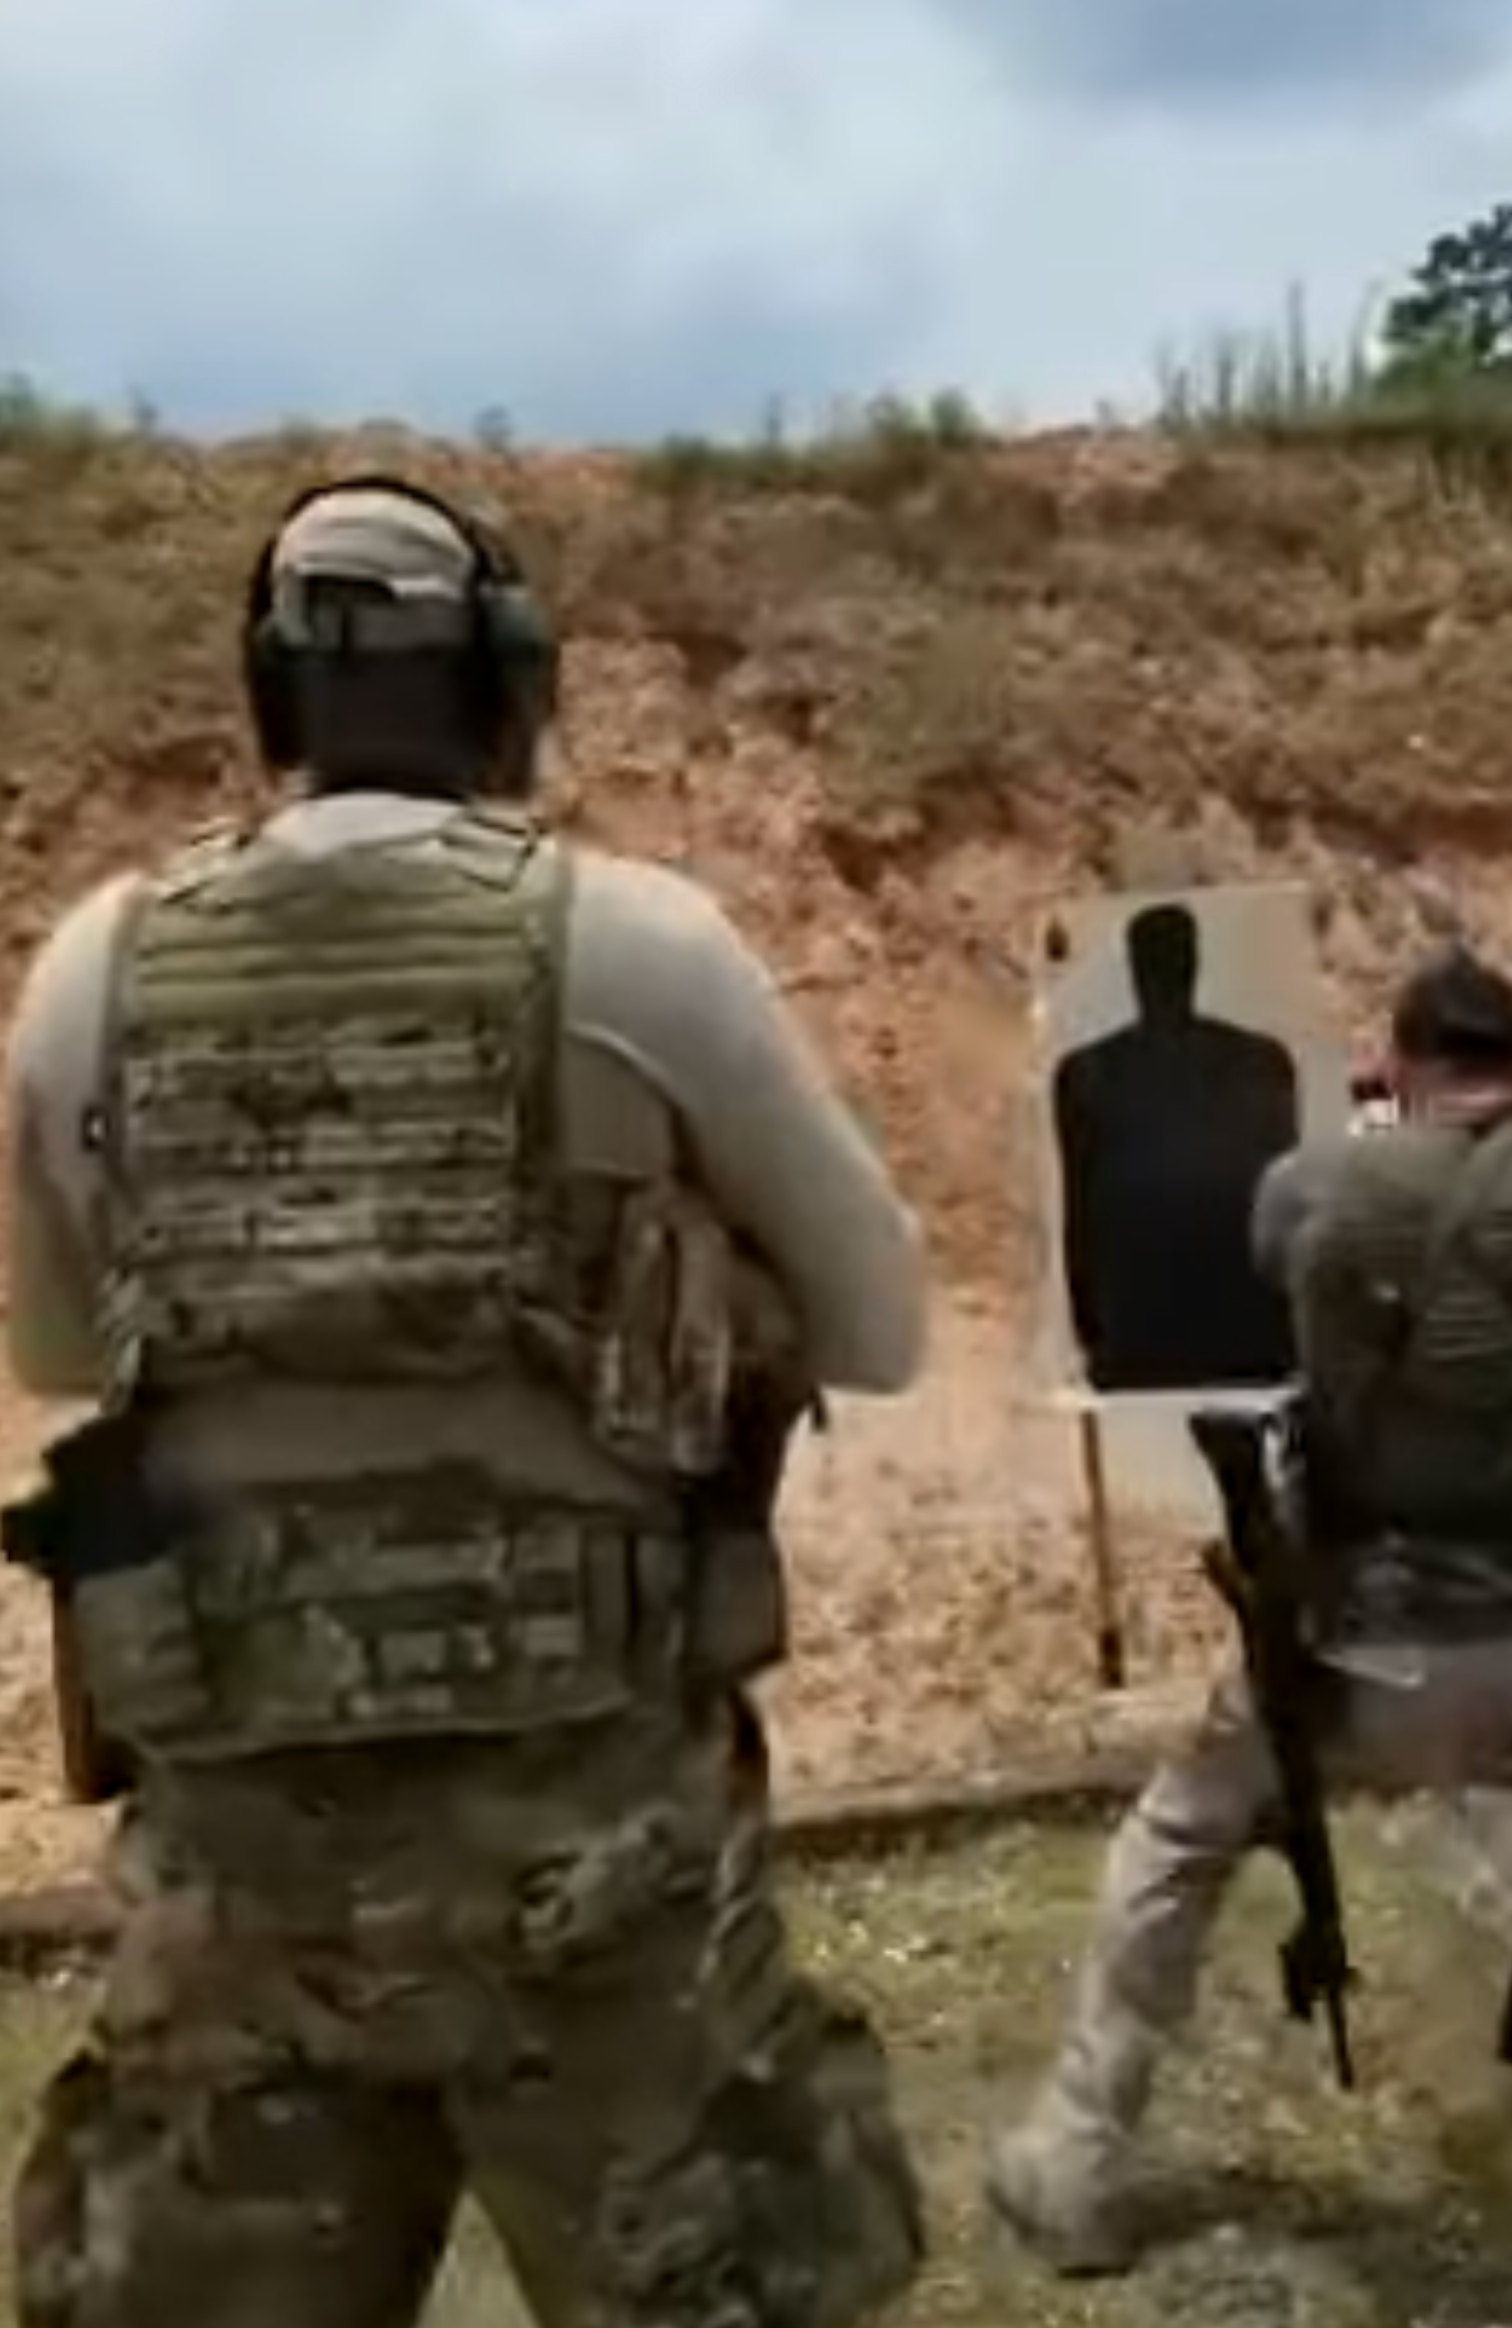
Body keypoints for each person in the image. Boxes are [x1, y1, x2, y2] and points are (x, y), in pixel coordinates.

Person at [4, 475, 930, 2328]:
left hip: (240, 1865)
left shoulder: (94, 963)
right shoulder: (642, 946)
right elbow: (882, 1320)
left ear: (269, 697)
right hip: (592, 1865)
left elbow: (46, 1346)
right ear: (509, 677)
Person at [991, 943, 1512, 2274]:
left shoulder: (1317, 1184)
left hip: (1368, 1655)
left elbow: (1277, 1246)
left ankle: (1073, 2163)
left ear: (1398, 1061)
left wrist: (1368, 1129)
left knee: (1174, 1844)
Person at [1053, 900, 1301, 1393]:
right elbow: (1285, 1219)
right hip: (1258, 1348)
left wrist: (1094, 1339)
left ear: (1134, 972)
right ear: (1194, 965)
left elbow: (1079, 1222)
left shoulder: (1085, 1072)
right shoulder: (1264, 1061)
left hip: (1135, 1351)